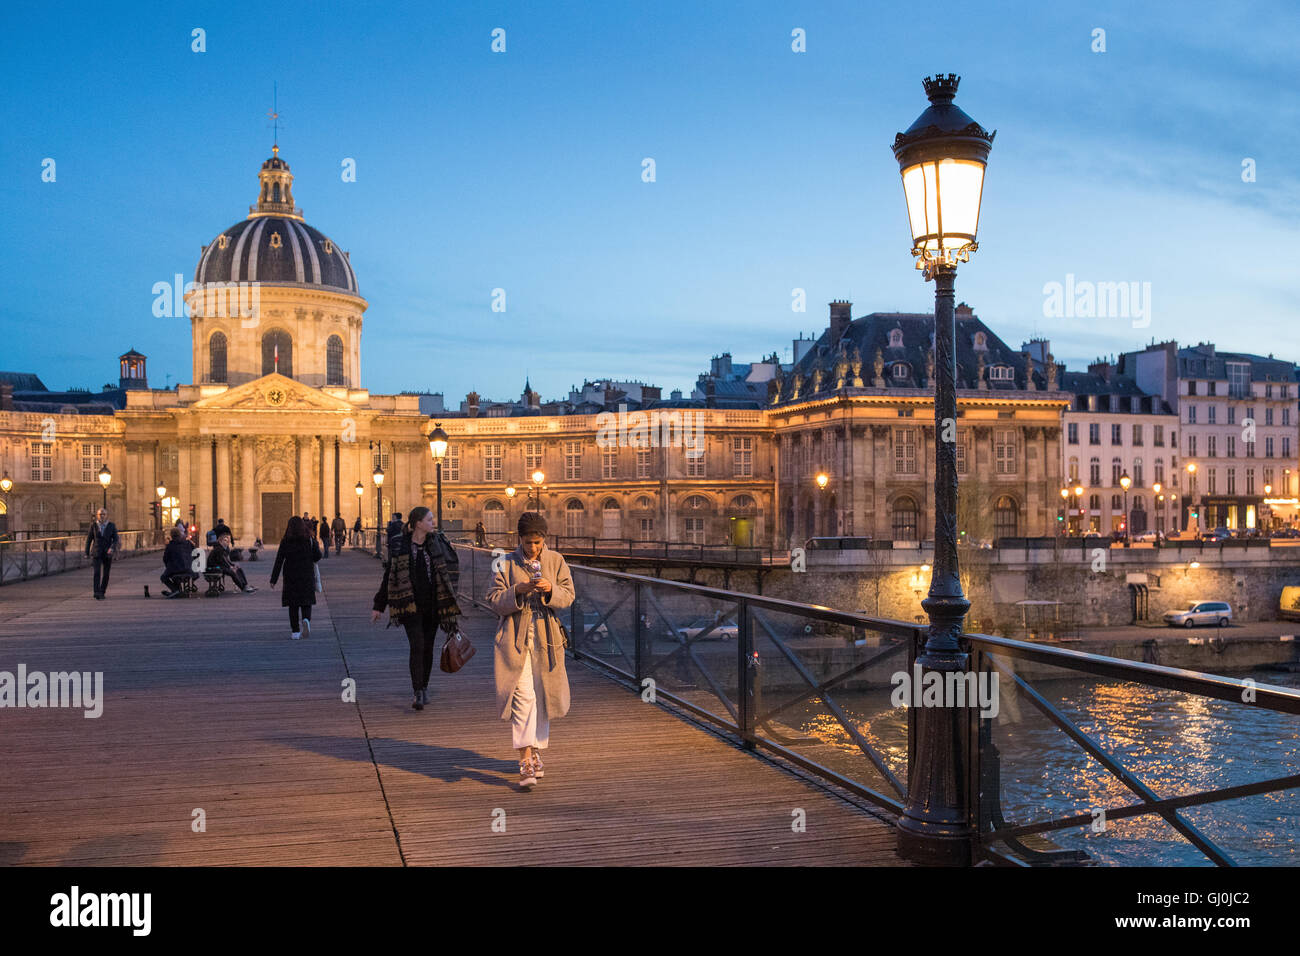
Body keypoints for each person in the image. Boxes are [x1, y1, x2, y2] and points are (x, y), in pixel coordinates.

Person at [486, 511, 574, 790]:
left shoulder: (556, 560)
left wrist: (550, 590)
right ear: (519, 539)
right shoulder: (504, 562)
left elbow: (569, 595)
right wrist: (519, 590)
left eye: (537, 542)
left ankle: (535, 752)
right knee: (522, 696)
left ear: (543, 539)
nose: (533, 548)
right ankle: (525, 759)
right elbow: (493, 599)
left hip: (547, 640)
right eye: (528, 542)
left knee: (542, 695)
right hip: (515, 640)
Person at [371, 506, 461, 711]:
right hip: (409, 604)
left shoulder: (437, 543)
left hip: (434, 605)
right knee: (417, 646)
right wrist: (379, 605)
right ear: (418, 523)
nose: (433, 523)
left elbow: (452, 569)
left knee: (428, 648)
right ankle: (417, 691)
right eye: (430, 520)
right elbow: (389, 577)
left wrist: (451, 599)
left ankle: (424, 686)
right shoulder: (399, 544)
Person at [270, 515, 321, 639]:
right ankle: (306, 619)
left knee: (293, 605)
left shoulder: (286, 541)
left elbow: (279, 560)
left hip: (291, 575)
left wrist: (273, 579)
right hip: (306, 574)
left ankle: (295, 631)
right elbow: (318, 556)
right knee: (306, 602)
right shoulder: (308, 540)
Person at [84, 507, 120, 600]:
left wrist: (112, 548)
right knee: (96, 572)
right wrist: (86, 552)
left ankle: (102, 591)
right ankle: (96, 592)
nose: (102, 516)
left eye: (104, 514)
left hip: (107, 552)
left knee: (106, 574)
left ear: (106, 515)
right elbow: (89, 540)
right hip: (96, 552)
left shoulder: (111, 525)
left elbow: (116, 539)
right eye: (100, 514)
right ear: (97, 515)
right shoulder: (93, 526)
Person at [160, 527, 197, 597]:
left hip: (175, 569)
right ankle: (177, 590)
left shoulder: (170, 546)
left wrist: (168, 566)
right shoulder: (188, 543)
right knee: (173, 571)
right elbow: (196, 553)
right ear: (180, 534)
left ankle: (175, 589)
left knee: (163, 577)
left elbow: (165, 558)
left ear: (171, 536)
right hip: (189, 569)